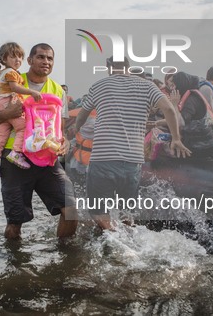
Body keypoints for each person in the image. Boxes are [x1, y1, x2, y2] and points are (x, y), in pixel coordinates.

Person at [75, 57, 191, 230]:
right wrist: (176, 138)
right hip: (132, 163)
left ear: (109, 68)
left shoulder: (99, 85)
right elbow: (168, 109)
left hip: (103, 160)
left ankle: (115, 241)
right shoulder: (148, 86)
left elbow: (82, 114)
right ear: (128, 68)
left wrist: (77, 129)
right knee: (127, 213)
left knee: (99, 213)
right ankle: (129, 241)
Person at [0, 43, 77, 240]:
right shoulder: (11, 81)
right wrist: (8, 113)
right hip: (15, 159)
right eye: (40, 57)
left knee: (72, 210)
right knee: (15, 223)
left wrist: (65, 141)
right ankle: (15, 265)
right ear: (30, 60)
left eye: (50, 58)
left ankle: (64, 261)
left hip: (47, 158)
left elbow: (60, 129)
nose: (46, 61)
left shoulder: (58, 90)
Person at [0, 42, 43, 177]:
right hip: (8, 103)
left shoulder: (1, 73)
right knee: (23, 127)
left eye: (20, 57)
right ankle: (16, 153)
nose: (18, 60)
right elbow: (15, 88)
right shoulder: (11, 73)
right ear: (4, 59)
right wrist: (31, 92)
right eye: (13, 57)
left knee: (0, 135)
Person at [160, 71, 213, 158]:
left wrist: (174, 105)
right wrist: (157, 123)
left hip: (202, 147)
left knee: (166, 149)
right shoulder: (191, 95)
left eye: (175, 85)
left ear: (181, 84)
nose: (172, 89)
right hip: (209, 143)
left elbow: (180, 123)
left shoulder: (191, 101)